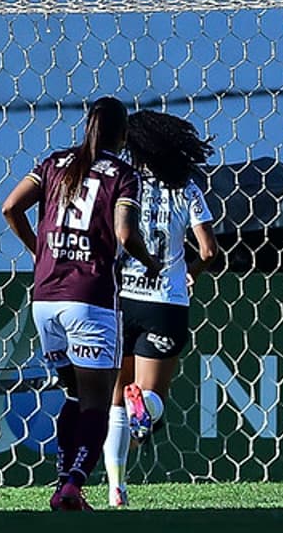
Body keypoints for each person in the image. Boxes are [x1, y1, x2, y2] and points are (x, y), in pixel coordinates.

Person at [0, 97, 162, 511]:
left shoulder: (55, 164)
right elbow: (125, 235)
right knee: (97, 399)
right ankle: (72, 485)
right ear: (123, 135)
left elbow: (10, 207)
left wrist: (40, 252)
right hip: (89, 299)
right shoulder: (123, 175)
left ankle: (63, 482)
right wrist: (150, 262)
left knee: (73, 395)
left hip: (45, 300)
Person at [103, 111, 219, 507]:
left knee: (115, 400)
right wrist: (192, 272)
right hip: (165, 303)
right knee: (152, 401)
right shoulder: (187, 188)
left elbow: (115, 234)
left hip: (122, 299)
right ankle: (146, 403)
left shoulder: (126, 184)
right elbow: (208, 251)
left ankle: (116, 489)